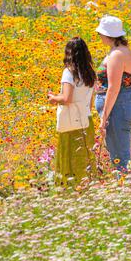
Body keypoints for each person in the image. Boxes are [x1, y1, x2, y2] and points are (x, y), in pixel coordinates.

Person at [95, 15, 131, 172]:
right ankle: (124, 184)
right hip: (120, 105)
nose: (99, 37)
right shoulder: (121, 51)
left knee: (120, 156)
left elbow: (113, 88)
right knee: (118, 154)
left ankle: (126, 187)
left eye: (100, 34)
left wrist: (104, 117)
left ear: (107, 35)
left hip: (117, 107)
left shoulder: (116, 55)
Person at [48, 37, 97, 187]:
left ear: (68, 53)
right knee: (85, 156)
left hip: (71, 122)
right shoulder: (90, 73)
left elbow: (67, 98)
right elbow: (90, 103)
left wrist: (53, 98)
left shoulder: (69, 72)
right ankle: (86, 186)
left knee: (68, 155)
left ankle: (69, 189)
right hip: (86, 120)